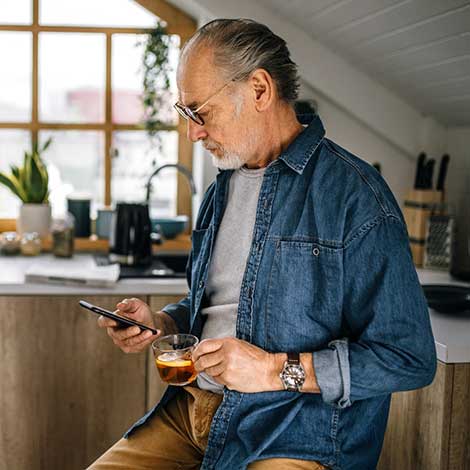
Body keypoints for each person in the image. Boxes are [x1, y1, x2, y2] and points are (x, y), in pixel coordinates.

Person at [89, 18, 436, 470]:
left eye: (200, 112)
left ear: (258, 90)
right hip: (192, 413)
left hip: (295, 434)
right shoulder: (221, 190)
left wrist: (273, 369)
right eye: (185, 113)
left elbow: (409, 357)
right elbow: (224, 304)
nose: (192, 132)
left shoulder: (357, 198)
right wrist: (160, 321)